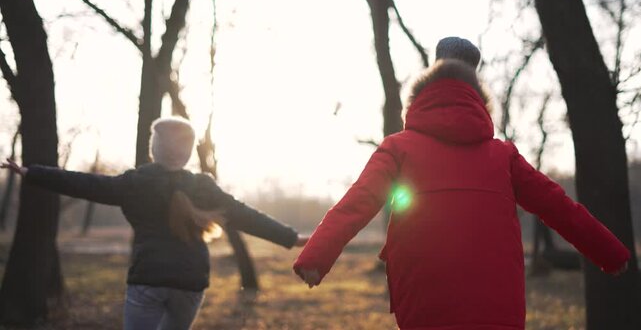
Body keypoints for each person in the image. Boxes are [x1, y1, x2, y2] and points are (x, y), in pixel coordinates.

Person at [293, 58, 630, 330]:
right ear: (480, 104)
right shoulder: (504, 156)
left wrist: (315, 258)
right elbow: (559, 207)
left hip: (426, 305)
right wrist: (610, 252)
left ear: (416, 103)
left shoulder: (398, 148)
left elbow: (358, 202)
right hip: (499, 307)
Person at [2, 116, 308, 330]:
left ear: (154, 149)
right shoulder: (203, 187)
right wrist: (290, 237)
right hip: (190, 282)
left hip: (148, 279)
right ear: (187, 154)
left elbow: (85, 184)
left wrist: (32, 173)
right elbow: (245, 216)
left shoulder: (136, 183)